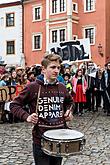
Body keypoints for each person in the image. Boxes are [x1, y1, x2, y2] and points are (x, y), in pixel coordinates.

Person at [10, 53, 74, 165]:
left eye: (58, 67)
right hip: (41, 140)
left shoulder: (62, 87)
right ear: (43, 69)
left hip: (59, 140)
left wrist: (69, 111)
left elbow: (70, 102)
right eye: (53, 67)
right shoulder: (33, 87)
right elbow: (14, 105)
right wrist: (27, 117)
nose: (56, 70)